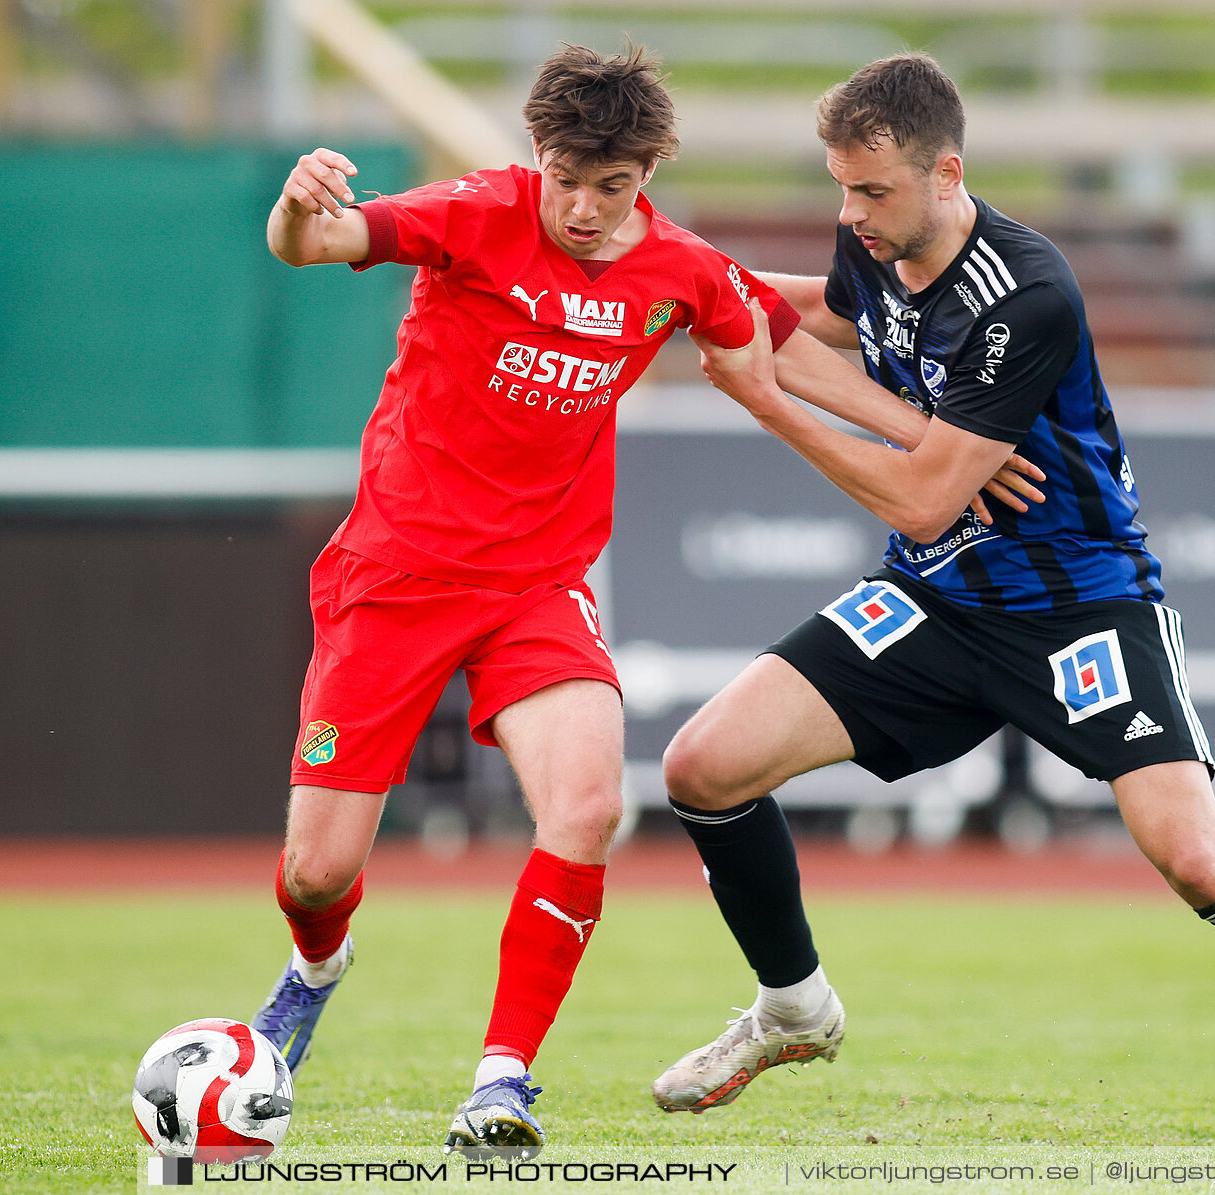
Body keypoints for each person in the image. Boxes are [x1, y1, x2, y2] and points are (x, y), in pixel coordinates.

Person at [652, 53, 1215, 1156]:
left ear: (948, 174)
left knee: (1193, 855)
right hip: (936, 601)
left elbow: (925, 495)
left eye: (873, 191)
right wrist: (687, 277)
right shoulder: (875, 239)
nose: (851, 214)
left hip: (1078, 606)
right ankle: (793, 1007)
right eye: (841, 189)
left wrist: (759, 388)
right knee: (702, 766)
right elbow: (835, 317)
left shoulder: (1027, 293)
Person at [252, 44, 1037, 1157]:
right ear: (537, 158)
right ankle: (312, 972)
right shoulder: (473, 212)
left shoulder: (677, 267)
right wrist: (296, 208)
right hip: (396, 574)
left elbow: (780, 344)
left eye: (610, 187)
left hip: (537, 586)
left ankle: (501, 1081)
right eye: (566, 178)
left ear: (648, 173)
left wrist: (942, 438)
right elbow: (315, 243)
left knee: (587, 806)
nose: (582, 207)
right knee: (317, 871)